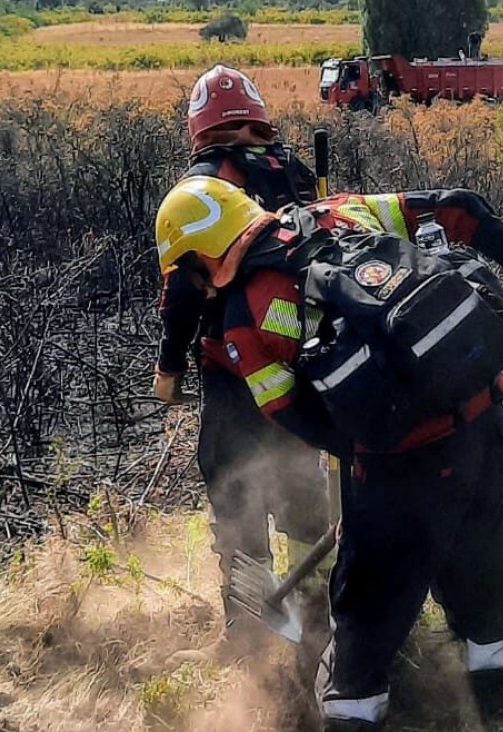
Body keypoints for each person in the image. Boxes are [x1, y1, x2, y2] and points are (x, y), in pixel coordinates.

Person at [154, 176, 503, 732]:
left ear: (200, 257)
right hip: (486, 427)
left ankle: (352, 716)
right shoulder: (342, 212)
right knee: (484, 593)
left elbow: (294, 417)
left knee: (361, 637)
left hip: (404, 469)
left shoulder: (243, 320)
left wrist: (368, 490)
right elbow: (459, 207)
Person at [152, 64, 329, 665]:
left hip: (233, 369)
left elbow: (182, 291)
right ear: (258, 116)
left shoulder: (202, 190)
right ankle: (320, 619)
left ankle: (252, 637)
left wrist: (169, 371)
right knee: (304, 490)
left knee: (236, 495)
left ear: (198, 127)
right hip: (302, 362)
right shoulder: (294, 171)